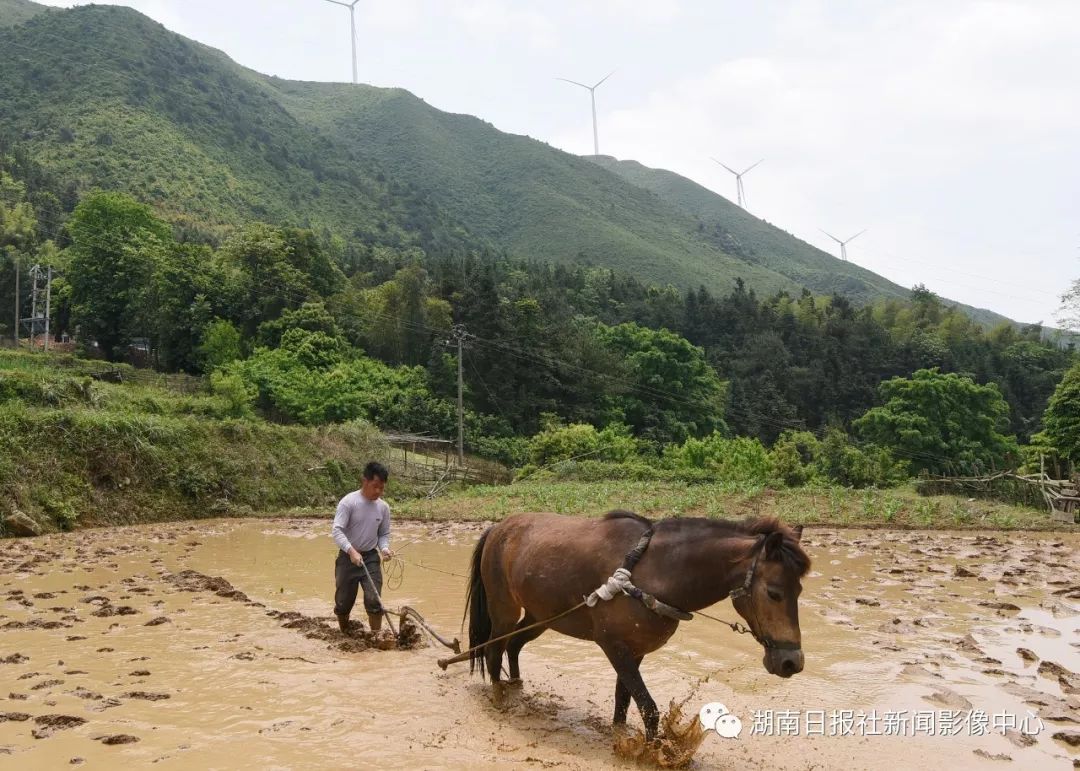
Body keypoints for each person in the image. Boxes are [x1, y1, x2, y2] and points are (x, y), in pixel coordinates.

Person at [331, 461, 393, 634]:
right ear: (364, 481)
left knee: (374, 599)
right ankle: (344, 632)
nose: (378, 492)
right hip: (347, 557)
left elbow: (383, 534)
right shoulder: (348, 502)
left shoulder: (383, 507)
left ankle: (377, 636)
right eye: (375, 487)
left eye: (382, 488)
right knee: (343, 602)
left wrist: (385, 549)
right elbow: (337, 531)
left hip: (370, 558)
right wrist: (351, 551)